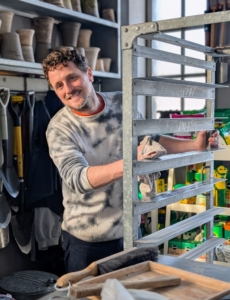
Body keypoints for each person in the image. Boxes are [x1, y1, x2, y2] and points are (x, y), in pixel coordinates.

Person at [42, 47, 219, 273]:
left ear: (89, 74)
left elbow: (150, 139)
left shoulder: (120, 103)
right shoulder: (59, 128)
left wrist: (194, 145)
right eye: (59, 85)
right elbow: (78, 179)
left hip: (129, 230)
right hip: (87, 242)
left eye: (72, 78)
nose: (68, 89)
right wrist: (132, 161)